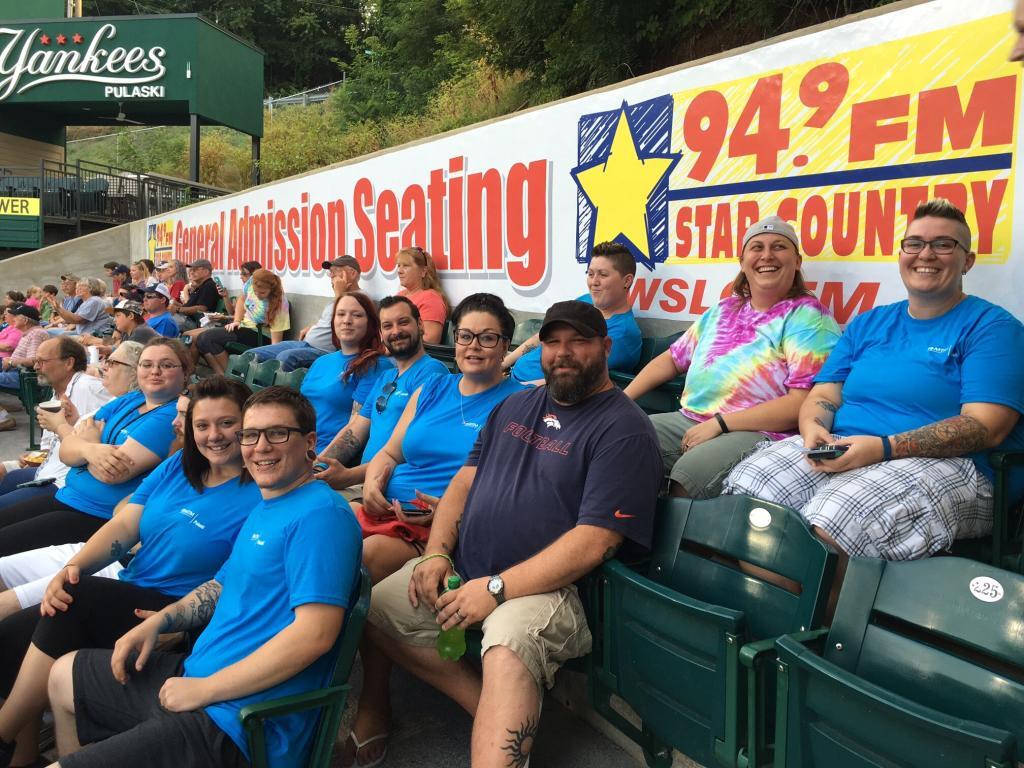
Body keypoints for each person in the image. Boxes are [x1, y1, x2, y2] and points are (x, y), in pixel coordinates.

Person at [344, 299, 662, 768]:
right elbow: (464, 482)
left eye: (578, 341)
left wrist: (496, 589)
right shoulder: (518, 404)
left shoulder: (624, 429)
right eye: (553, 342)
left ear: (606, 347)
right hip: (469, 569)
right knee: (377, 608)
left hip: (551, 590)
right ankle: (486, 712)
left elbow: (597, 540)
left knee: (508, 646)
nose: (563, 352)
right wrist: (435, 555)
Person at [46, 386, 362, 768]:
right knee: (63, 675)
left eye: (278, 433)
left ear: (310, 442)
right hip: (197, 674)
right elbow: (221, 585)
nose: (260, 447)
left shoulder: (320, 515)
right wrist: (160, 622)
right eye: (250, 434)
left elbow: (315, 635)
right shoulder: (269, 504)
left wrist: (205, 690)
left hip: (241, 723)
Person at [725, 199, 1024, 570]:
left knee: (838, 517)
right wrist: (813, 428)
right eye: (914, 243)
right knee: (751, 489)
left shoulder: (993, 328)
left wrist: (882, 448)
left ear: (967, 260)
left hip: (956, 466)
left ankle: (823, 624)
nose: (925, 254)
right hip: (849, 448)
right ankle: (767, 614)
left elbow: (986, 427)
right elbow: (823, 394)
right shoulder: (870, 323)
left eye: (943, 244)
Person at [0, 377, 259, 768]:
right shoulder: (180, 466)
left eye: (227, 423)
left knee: (79, 599)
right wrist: (74, 567)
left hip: (172, 610)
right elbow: (125, 526)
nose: (213, 435)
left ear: (248, 424)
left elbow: (237, 580)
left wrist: (178, 619)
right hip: (131, 584)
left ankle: (1, 736)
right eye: (202, 425)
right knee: (15, 632)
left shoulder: (261, 489)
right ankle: (21, 754)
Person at [626, 216, 840, 499]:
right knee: (615, 440)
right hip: (689, 418)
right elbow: (671, 360)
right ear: (742, 261)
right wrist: (621, 401)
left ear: (797, 261)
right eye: (757, 247)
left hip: (757, 432)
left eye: (779, 246)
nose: (767, 255)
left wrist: (721, 424)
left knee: (689, 475)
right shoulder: (723, 309)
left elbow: (801, 402)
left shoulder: (809, 317)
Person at [358, 293, 525, 584]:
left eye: (486, 338)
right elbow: (390, 453)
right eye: (464, 336)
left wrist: (451, 515)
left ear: (505, 346)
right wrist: (372, 483)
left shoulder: (519, 403)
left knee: (362, 555)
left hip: (434, 530)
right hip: (386, 508)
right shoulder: (433, 388)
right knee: (318, 528)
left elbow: (512, 486)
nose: (473, 346)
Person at [0, 337, 189, 558]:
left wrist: (81, 441)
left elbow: (112, 472)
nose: (154, 371)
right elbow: (66, 454)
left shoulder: (172, 414)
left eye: (166, 365)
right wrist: (91, 450)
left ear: (185, 373)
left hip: (95, 515)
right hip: (66, 496)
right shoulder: (132, 399)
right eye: (146, 364)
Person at [0, 343, 142, 625]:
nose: (103, 366)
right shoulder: (119, 404)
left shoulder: (97, 392)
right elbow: (70, 451)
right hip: (60, 484)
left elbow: (108, 471)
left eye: (111, 362)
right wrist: (82, 440)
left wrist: (76, 438)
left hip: (72, 499)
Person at [314, 295, 450, 492]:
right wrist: (319, 467)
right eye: (387, 326)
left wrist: (349, 477)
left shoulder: (432, 372)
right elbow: (355, 432)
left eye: (403, 322)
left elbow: (410, 448)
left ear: (420, 325)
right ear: (381, 333)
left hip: (393, 487)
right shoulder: (386, 376)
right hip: (364, 481)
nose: (396, 331)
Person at [504, 241, 644, 385]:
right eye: (590, 274)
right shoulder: (586, 301)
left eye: (603, 275)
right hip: (513, 378)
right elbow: (541, 336)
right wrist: (503, 365)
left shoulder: (623, 335)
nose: (594, 282)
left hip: (534, 394)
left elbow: (570, 380)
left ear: (627, 281)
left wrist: (515, 389)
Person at [0, 338, 115, 500]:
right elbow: (50, 446)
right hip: (48, 469)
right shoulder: (57, 392)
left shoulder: (89, 388)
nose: (35, 367)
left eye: (42, 361)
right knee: (5, 474)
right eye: (35, 361)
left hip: (65, 483)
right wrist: (34, 457)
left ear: (68, 363)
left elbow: (114, 431)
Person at [300, 292, 392, 454]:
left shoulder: (375, 365)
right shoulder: (321, 361)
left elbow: (356, 428)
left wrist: (319, 465)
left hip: (324, 456)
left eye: (356, 315)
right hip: (297, 448)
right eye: (340, 314)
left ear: (370, 323)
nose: (347, 321)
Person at [248, 258, 354, 371]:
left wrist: (340, 294)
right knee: (251, 355)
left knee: (284, 358)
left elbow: (344, 323)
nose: (331, 276)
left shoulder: (359, 299)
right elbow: (328, 321)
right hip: (303, 343)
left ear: (352, 273)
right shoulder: (337, 298)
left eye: (336, 271)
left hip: (323, 351)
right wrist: (313, 327)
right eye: (330, 272)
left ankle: (277, 389)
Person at [192, 269, 290, 375]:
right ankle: (224, 377)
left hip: (261, 336)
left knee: (208, 337)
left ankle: (231, 378)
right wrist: (237, 320)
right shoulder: (251, 284)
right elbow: (242, 299)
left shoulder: (279, 304)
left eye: (262, 293)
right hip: (244, 327)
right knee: (202, 341)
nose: (257, 295)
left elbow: (275, 344)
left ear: (272, 290)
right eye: (255, 291)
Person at [395, 247, 449, 344]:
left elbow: (430, 341)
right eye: (399, 266)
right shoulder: (400, 295)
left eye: (406, 266)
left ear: (423, 271)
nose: (399, 271)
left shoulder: (431, 299)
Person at [81, 301, 157, 358]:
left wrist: (95, 340)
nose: (114, 320)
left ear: (130, 316)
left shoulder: (141, 331)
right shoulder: (127, 330)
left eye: (118, 316)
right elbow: (117, 342)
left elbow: (116, 344)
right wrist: (108, 349)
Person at [0, 305, 50, 387]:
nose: (13, 319)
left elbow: (33, 361)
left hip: (24, 377)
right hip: (18, 372)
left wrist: (10, 362)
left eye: (16, 316)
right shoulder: (31, 332)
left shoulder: (36, 333)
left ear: (25, 320)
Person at [46, 278, 111, 338]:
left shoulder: (94, 300)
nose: (77, 289)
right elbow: (70, 319)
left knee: (59, 339)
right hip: (81, 333)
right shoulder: (86, 302)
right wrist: (57, 308)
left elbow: (77, 320)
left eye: (81, 287)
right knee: (47, 332)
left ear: (90, 288)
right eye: (77, 287)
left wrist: (59, 308)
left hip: (94, 335)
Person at [170, 259, 220, 331]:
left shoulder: (209, 285)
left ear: (206, 272)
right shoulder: (201, 286)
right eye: (190, 270)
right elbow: (189, 306)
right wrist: (176, 305)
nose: (191, 272)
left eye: (195, 270)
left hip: (197, 323)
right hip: (187, 319)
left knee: (165, 320)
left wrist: (178, 309)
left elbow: (202, 308)